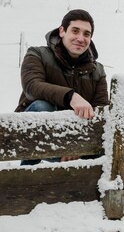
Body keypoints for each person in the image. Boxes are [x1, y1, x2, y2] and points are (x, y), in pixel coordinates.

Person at [16, 9, 108, 165]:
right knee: (41, 107)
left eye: (86, 34)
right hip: (36, 136)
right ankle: (25, 179)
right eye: (75, 31)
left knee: (104, 136)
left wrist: (75, 148)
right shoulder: (37, 54)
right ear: (62, 31)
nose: (81, 38)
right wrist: (71, 96)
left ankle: (85, 186)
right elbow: (32, 86)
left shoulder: (97, 70)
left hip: (77, 141)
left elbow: (101, 109)